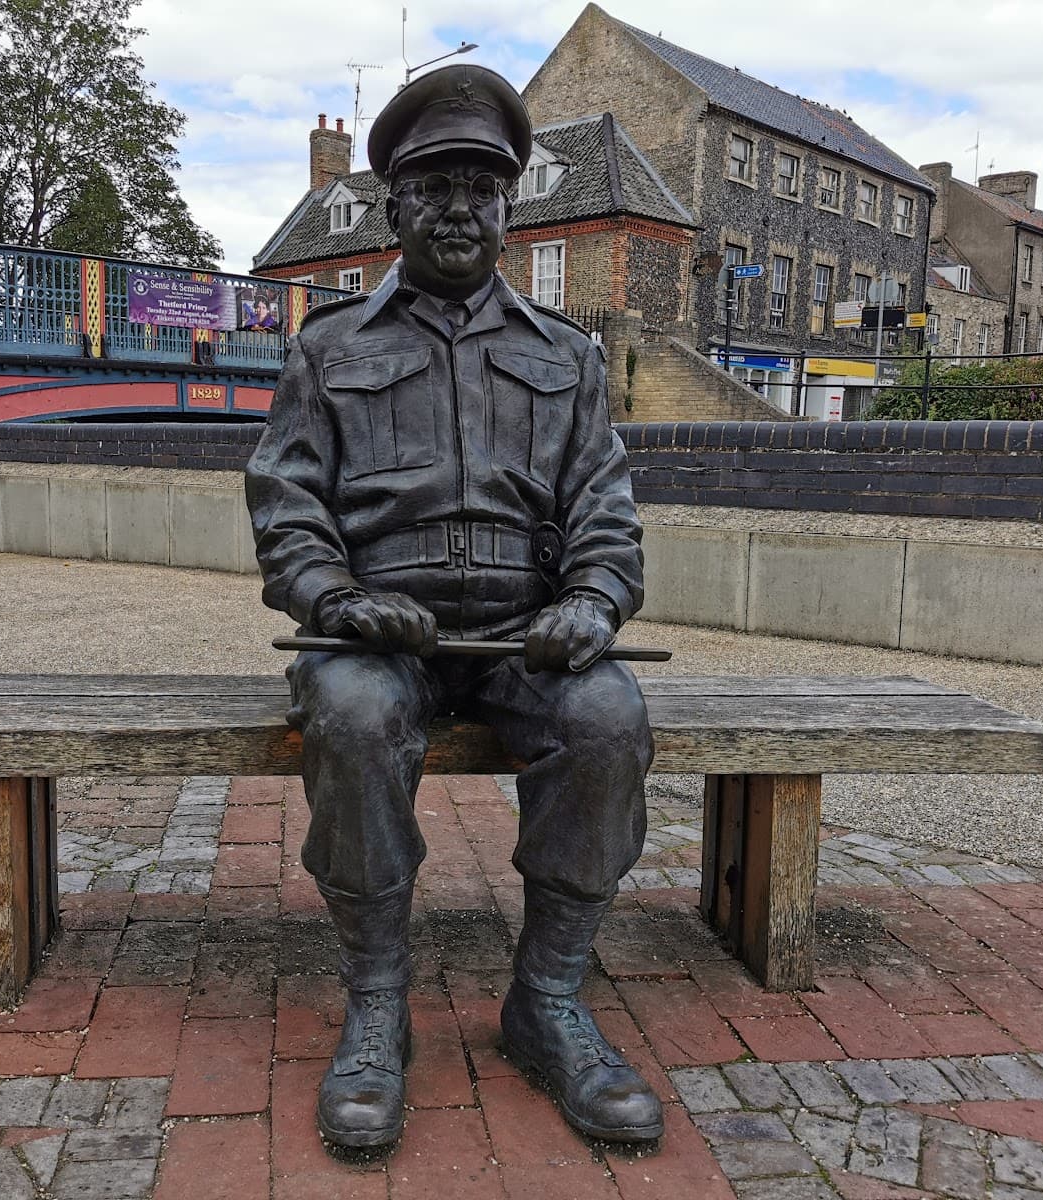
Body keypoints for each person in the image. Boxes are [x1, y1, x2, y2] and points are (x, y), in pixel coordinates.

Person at [245, 63, 660, 1150]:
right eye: (434, 187)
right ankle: (377, 1006)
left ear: (510, 209)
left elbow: (605, 513)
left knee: (609, 721)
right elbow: (286, 504)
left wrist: (594, 601)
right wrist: (336, 594)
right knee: (355, 715)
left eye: (481, 188)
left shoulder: (566, 359)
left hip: (527, 632)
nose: (458, 209)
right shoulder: (328, 348)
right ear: (393, 207)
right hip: (378, 634)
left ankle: (549, 1001)